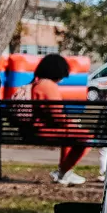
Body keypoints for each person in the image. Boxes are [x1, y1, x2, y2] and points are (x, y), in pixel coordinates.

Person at [30, 53, 88, 186]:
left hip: (33, 128)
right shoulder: (49, 86)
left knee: (71, 134)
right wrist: (71, 123)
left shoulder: (36, 84)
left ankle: (64, 172)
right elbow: (57, 115)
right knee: (85, 137)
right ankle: (64, 172)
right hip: (43, 130)